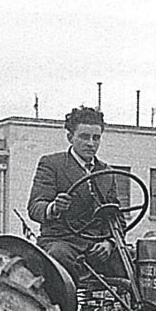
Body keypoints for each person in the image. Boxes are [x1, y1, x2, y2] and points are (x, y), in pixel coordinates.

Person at [28, 106, 122, 281]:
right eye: (84, 137)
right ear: (70, 137)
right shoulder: (52, 164)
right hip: (62, 241)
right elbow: (35, 207)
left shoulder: (106, 172)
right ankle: (63, 307)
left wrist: (109, 243)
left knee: (136, 261)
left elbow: (116, 218)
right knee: (58, 257)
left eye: (96, 138)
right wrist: (54, 207)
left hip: (97, 246)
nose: (91, 143)